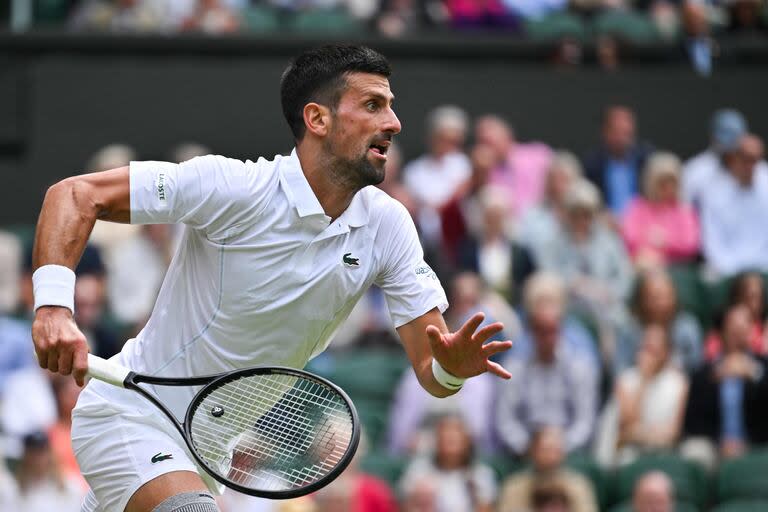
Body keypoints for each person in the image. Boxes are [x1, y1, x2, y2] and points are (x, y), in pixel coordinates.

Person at [31, 45, 512, 512]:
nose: (393, 122)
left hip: (206, 452)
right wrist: (53, 307)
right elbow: (73, 196)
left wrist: (451, 368)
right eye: (373, 105)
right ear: (317, 119)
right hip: (132, 411)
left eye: (391, 106)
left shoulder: (388, 226)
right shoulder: (231, 189)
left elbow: (433, 372)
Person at [496, 274, 599, 455]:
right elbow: (505, 420)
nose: (547, 338)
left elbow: (585, 422)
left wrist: (559, 447)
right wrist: (528, 447)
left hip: (567, 451)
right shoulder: (515, 366)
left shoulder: (579, 365)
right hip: (526, 451)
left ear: (561, 329)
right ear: (531, 331)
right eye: (541, 331)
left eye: (552, 331)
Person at [684, 304, 768, 461]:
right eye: (734, 328)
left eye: (745, 326)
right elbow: (692, 422)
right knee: (694, 451)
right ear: (721, 331)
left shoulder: (763, 367)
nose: (739, 331)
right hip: (715, 445)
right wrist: (720, 442)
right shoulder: (704, 372)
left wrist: (754, 375)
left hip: (758, 443)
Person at [612, 325, 689, 465]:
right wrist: (643, 382)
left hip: (666, 450)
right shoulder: (626, 380)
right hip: (632, 450)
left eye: (654, 349)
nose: (648, 353)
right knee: (625, 459)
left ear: (666, 352)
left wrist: (640, 433)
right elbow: (625, 430)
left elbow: (674, 432)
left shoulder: (679, 383)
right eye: (645, 347)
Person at [699, 133, 768, 277]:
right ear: (733, 159)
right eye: (746, 159)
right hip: (727, 271)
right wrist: (732, 272)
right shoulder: (713, 191)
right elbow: (712, 242)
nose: (751, 166)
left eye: (756, 159)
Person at [399, 414, 498, 512]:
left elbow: (486, 508)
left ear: (467, 442)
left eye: (455, 439)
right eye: (446, 438)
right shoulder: (419, 470)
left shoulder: (480, 474)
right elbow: (406, 507)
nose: (450, 445)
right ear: (436, 440)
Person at [621, 152, 700, 269]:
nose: (668, 188)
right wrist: (650, 249)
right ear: (651, 182)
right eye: (662, 183)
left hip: (677, 269)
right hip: (642, 267)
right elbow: (629, 239)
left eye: (672, 182)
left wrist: (664, 242)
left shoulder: (684, 210)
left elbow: (690, 245)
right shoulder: (637, 206)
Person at [616, 269, 703, 373]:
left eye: (666, 296)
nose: (661, 302)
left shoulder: (687, 328)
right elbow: (619, 372)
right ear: (642, 299)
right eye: (654, 297)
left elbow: (696, 368)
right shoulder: (629, 331)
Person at [497, 426, 597, 512]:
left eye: (555, 450)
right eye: (546, 450)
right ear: (533, 450)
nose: (550, 456)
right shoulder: (514, 486)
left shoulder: (579, 486)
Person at [582, 106, 654, 218]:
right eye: (617, 132)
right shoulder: (592, 164)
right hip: (605, 225)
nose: (622, 139)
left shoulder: (647, 160)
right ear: (605, 132)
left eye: (626, 133)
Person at [705, 272, 768, 361]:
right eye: (750, 297)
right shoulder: (723, 328)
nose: (755, 304)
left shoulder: (764, 329)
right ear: (737, 297)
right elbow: (711, 358)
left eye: (759, 297)